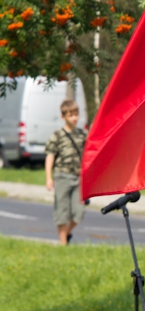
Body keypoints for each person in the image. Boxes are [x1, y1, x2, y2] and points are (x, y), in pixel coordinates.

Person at [44, 99, 87, 246]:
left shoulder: (82, 135)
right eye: (70, 115)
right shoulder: (57, 135)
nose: (74, 118)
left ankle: (67, 233)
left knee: (79, 212)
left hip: (79, 177)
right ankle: (63, 245)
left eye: (76, 114)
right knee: (62, 212)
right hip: (62, 176)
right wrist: (48, 178)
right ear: (63, 117)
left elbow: (88, 155)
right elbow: (50, 156)